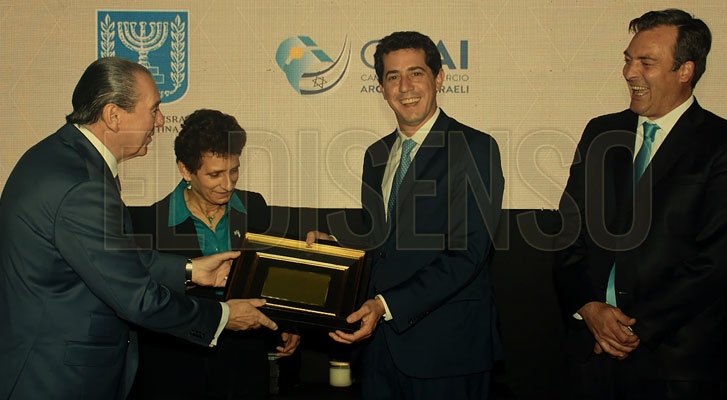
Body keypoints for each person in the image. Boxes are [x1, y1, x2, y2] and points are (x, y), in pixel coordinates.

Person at [0, 57, 278, 400]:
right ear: (114, 115)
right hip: (59, 377)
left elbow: (110, 258)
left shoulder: (64, 159)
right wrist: (222, 316)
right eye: (154, 109)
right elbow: (137, 299)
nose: (160, 121)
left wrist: (190, 269)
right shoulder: (82, 183)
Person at [555, 9, 727, 399]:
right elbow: (567, 231)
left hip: (674, 365)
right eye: (628, 59)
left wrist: (632, 329)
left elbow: (716, 260)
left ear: (685, 71)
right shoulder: (601, 132)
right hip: (590, 357)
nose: (630, 72)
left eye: (646, 62)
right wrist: (588, 308)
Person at [308, 31, 504, 400]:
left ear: (439, 78)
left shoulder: (474, 149)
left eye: (416, 73)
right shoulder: (376, 154)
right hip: (379, 349)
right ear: (381, 88)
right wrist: (340, 251)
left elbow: (468, 255)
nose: (405, 87)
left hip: (447, 351)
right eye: (393, 77)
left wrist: (385, 305)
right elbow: (382, 242)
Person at [128, 109, 300, 399]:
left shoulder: (254, 207)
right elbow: (145, 305)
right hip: (175, 370)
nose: (228, 184)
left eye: (234, 170)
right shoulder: (150, 224)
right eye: (215, 174)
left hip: (245, 368)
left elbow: (270, 277)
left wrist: (289, 323)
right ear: (185, 170)